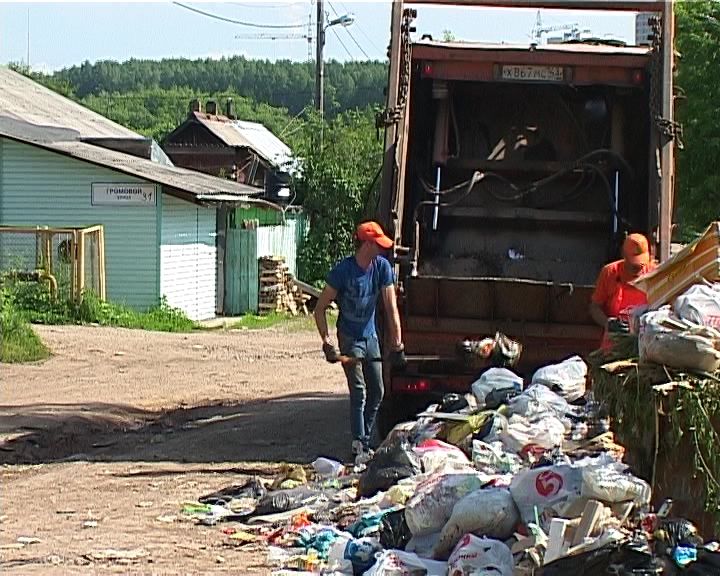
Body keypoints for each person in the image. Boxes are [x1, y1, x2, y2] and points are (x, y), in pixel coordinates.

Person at [314, 221, 406, 463]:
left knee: (378, 390)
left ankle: (363, 440)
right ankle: (359, 444)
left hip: (371, 336)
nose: (382, 249)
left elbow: (391, 307)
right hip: (349, 337)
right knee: (359, 391)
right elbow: (320, 309)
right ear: (366, 243)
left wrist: (398, 344)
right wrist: (327, 342)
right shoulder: (343, 272)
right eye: (378, 244)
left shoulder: (382, 267)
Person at [589, 233, 657, 349]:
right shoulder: (610, 272)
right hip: (614, 341)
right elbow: (594, 307)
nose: (638, 268)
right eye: (634, 264)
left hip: (645, 342)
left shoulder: (656, 273)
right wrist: (608, 323)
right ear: (624, 256)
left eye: (641, 264)